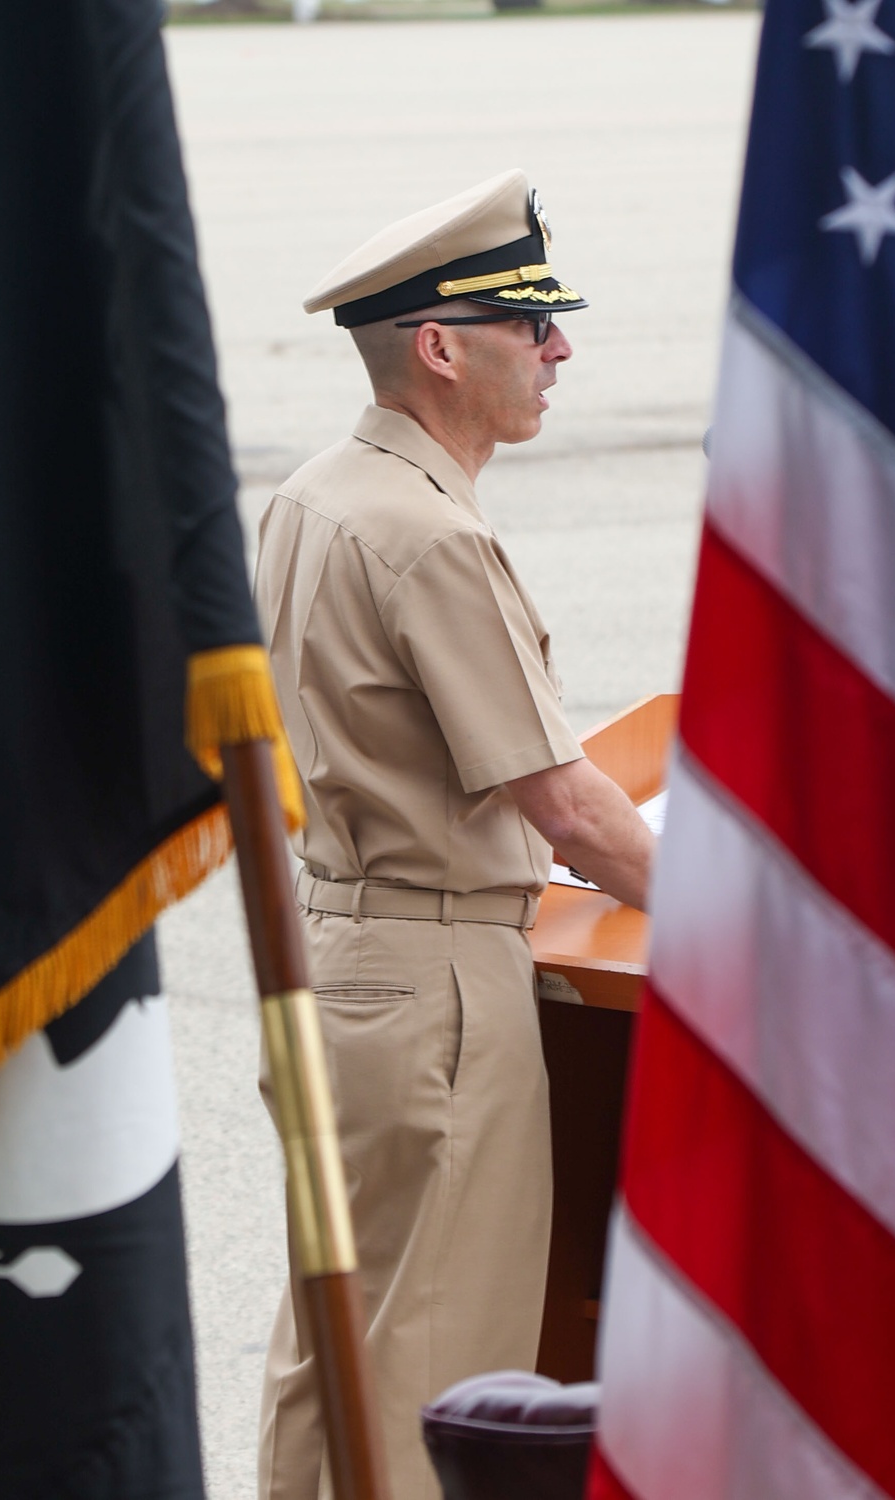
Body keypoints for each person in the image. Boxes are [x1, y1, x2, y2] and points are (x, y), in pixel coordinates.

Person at [253, 168, 655, 1500]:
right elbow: (572, 811)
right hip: (437, 994)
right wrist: (750, 912)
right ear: (439, 347)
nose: (560, 351)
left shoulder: (319, 493)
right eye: (532, 326)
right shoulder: (430, 537)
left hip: (343, 961)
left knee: (336, 1355)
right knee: (439, 1367)